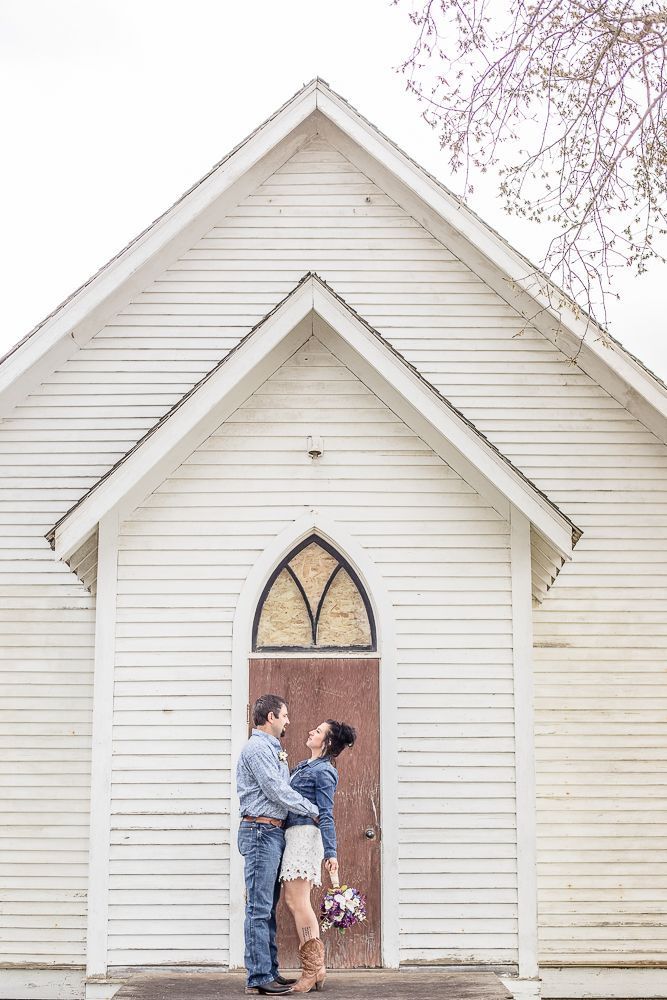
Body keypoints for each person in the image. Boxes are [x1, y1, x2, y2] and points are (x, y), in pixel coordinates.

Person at [236, 694, 320, 996]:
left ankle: (268, 970)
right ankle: (258, 977)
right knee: (258, 908)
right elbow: (275, 790)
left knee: (266, 908)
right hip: (260, 830)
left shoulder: (273, 749)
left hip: (270, 832)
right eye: (284, 715)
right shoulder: (258, 748)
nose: (288, 721)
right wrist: (312, 809)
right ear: (271, 717)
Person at [280, 719, 357, 994]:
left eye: (319, 731)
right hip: (293, 834)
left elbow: (326, 814)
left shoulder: (324, 772)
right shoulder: (305, 766)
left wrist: (331, 852)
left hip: (305, 836)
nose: (312, 731)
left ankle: (311, 970)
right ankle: (318, 969)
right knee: (295, 900)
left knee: (298, 901)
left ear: (327, 743)